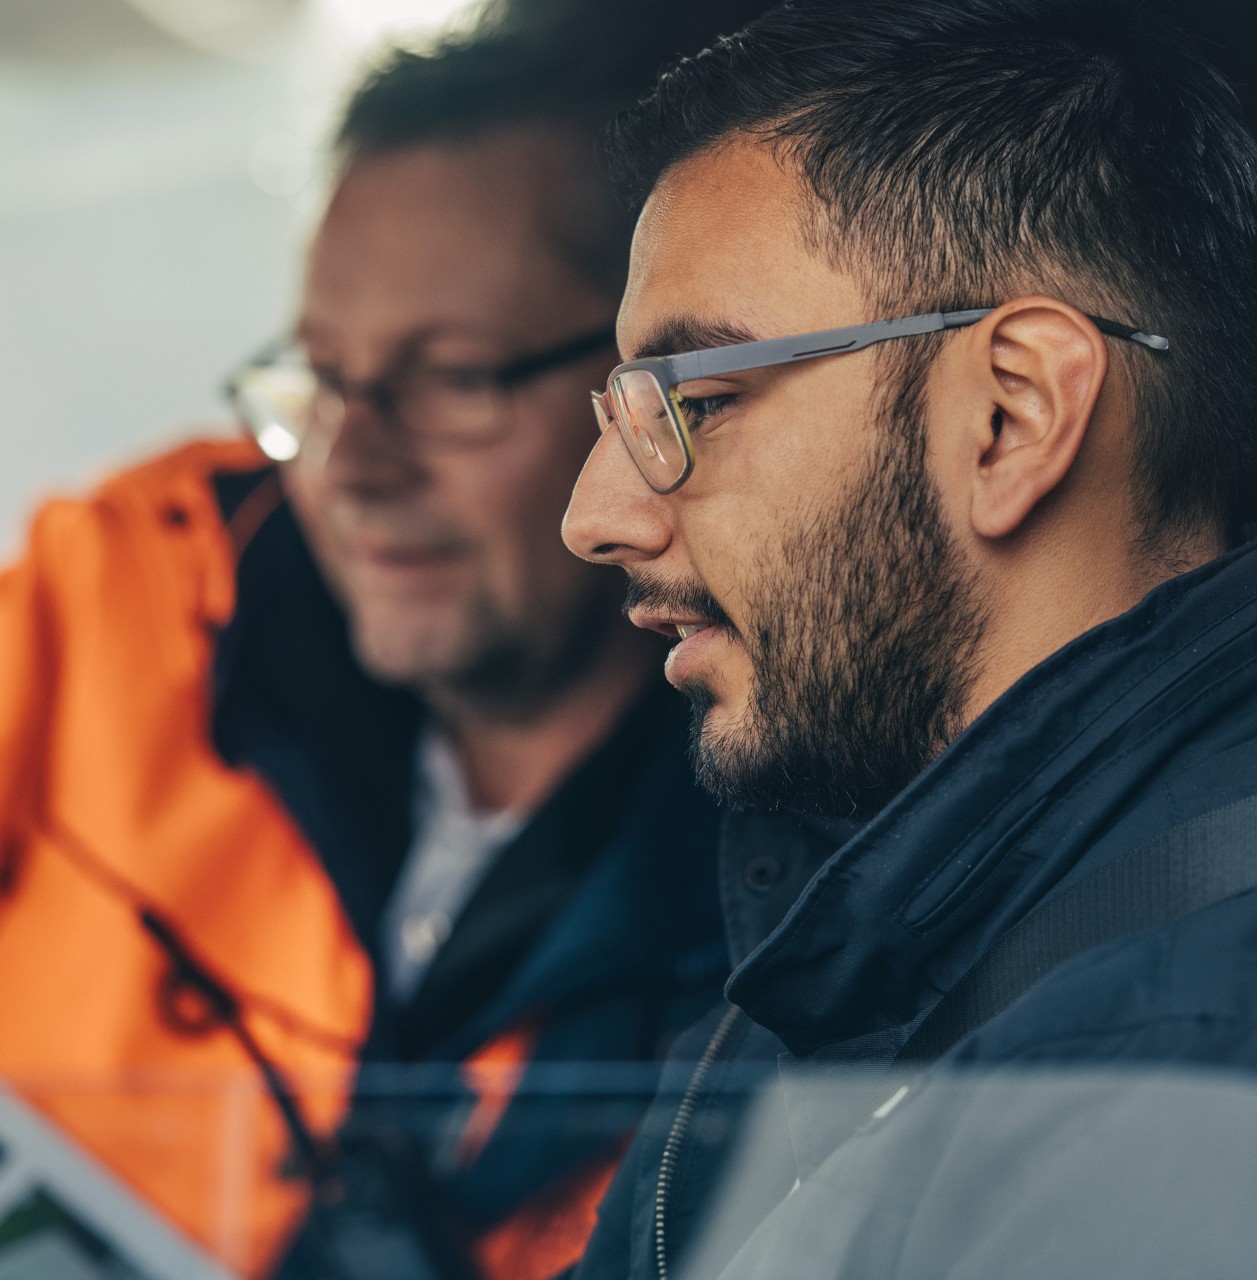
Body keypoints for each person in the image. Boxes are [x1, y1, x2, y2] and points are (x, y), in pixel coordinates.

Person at [0, 18, 771, 1280]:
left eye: (453, 379)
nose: (351, 466)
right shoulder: (128, 589)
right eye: (322, 376)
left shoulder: (799, 859)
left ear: (656, 383)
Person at [561, 1, 1257, 1276]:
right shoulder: (854, 954)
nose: (595, 516)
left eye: (696, 402)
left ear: (1008, 416)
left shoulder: (1181, 1085)